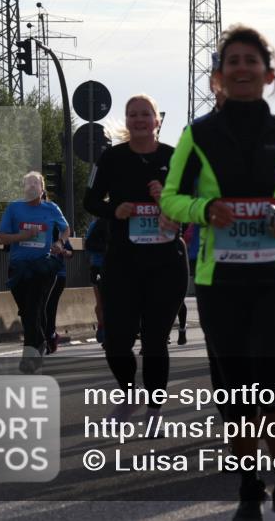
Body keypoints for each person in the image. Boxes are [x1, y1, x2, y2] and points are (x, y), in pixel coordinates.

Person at [160, 25, 275, 519]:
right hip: (221, 279)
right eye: (231, 61)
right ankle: (249, 488)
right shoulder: (197, 135)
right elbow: (171, 197)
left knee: (272, 379)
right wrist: (205, 210)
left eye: (250, 61)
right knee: (234, 387)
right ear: (218, 76)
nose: (241, 69)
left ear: (268, 74)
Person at [83, 94, 189, 426]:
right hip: (123, 261)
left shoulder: (174, 158)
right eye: (133, 115)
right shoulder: (111, 158)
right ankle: (130, 395)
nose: (140, 119)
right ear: (126, 122)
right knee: (116, 340)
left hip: (166, 262)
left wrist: (168, 201)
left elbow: (191, 206)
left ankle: (155, 411)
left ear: (157, 120)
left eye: (146, 114)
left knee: (156, 340)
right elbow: (90, 200)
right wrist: (115, 209)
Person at [0, 170, 70, 371]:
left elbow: (66, 229)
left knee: (33, 309)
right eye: (27, 184)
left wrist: (59, 241)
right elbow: (2, 238)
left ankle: (29, 355)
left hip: (42, 268)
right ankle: (40, 342)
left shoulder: (51, 208)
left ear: (42, 188)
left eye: (34, 184)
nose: (31, 187)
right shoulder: (14, 209)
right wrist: (23, 236)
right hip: (18, 269)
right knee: (28, 311)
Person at [43, 222, 74, 353]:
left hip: (58, 275)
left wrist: (63, 250)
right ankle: (44, 336)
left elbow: (71, 253)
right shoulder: (39, 231)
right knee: (40, 306)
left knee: (50, 305)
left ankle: (50, 336)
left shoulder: (61, 234)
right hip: (42, 274)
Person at [83, 218, 109, 344]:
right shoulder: (97, 223)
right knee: (101, 301)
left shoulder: (125, 220)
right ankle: (102, 326)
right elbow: (87, 245)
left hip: (118, 266)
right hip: (99, 266)